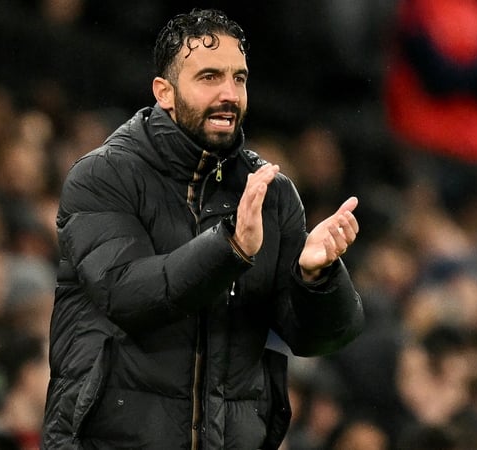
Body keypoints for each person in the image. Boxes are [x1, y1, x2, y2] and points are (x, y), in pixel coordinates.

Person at [41, 8, 365, 450]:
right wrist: (229, 247)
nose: (229, 94)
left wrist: (316, 278)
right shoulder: (103, 176)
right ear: (165, 92)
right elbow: (126, 293)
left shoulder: (271, 193)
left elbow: (320, 339)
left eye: (239, 78)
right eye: (209, 77)